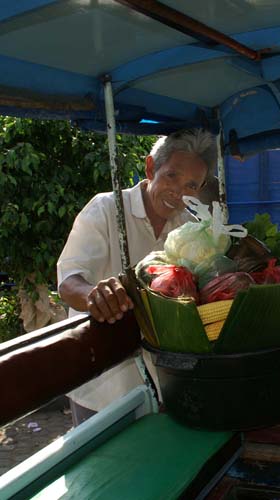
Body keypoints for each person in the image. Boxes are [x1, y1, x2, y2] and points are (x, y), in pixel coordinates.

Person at [57, 128, 216, 425]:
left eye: (191, 185)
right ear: (151, 167)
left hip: (164, 387)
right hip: (102, 388)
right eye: (171, 176)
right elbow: (69, 281)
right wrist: (95, 295)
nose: (178, 192)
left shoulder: (190, 228)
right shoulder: (105, 209)